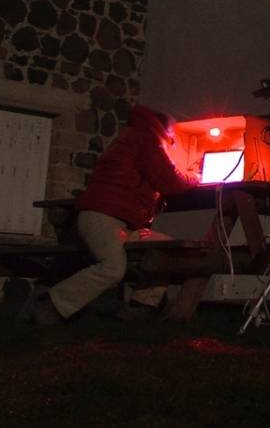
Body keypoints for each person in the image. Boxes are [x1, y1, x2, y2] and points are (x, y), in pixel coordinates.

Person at [30, 105, 198, 324]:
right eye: (173, 135)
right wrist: (194, 177)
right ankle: (51, 303)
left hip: (119, 222)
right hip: (104, 216)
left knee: (167, 249)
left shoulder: (133, 136)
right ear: (164, 129)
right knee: (112, 268)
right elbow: (169, 180)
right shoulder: (146, 138)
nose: (174, 140)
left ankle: (141, 306)